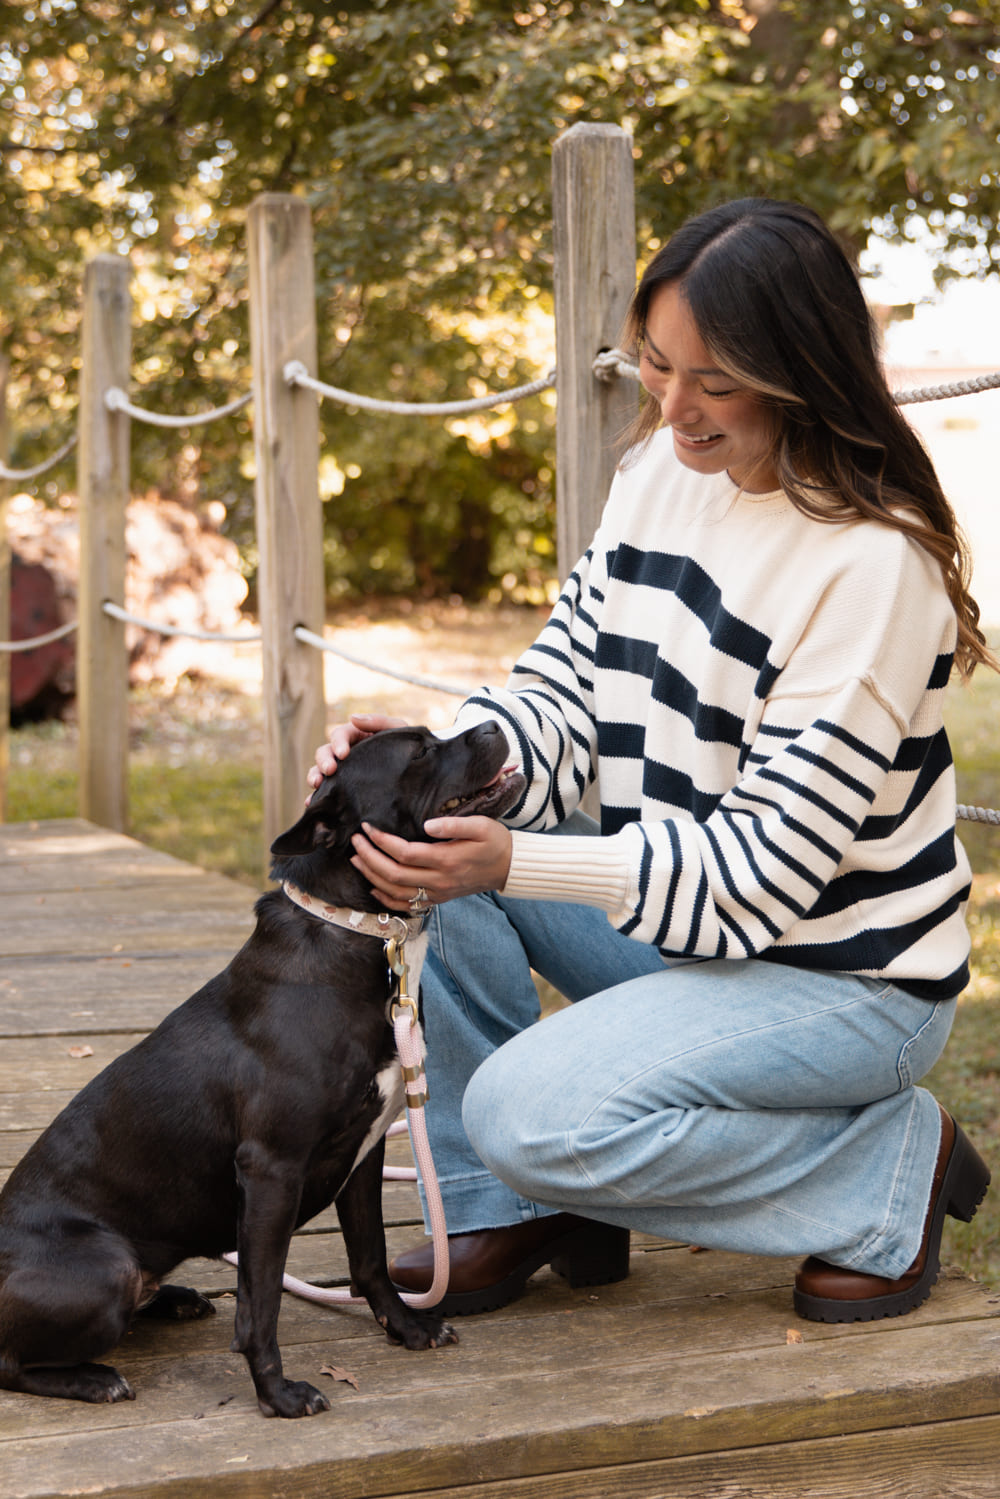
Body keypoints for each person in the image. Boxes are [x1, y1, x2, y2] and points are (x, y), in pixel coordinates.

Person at [311, 198, 993, 1325]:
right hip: (680, 926)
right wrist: (433, 764)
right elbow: (567, 682)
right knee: (398, 846)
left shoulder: (872, 571)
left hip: (841, 984)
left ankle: (881, 1172)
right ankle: (505, 1206)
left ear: (798, 372)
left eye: (713, 381)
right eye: (656, 364)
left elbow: (757, 879)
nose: (673, 408)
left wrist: (512, 861)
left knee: (528, 1111)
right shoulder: (662, 473)